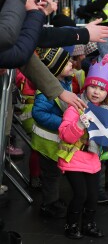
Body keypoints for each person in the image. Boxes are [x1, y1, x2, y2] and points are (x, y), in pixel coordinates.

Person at [57, 55, 108, 239]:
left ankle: (88, 225)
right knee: (80, 195)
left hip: (93, 161)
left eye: (102, 89)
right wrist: (79, 124)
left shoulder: (107, 111)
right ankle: (71, 226)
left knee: (93, 197)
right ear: (86, 86)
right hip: (73, 158)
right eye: (93, 86)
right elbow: (64, 135)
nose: (96, 92)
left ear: (107, 93)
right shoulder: (75, 107)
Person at [31, 48, 74, 219]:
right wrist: (64, 123)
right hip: (46, 142)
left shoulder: (64, 83)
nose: (71, 64)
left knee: (54, 173)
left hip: (54, 141)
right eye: (67, 62)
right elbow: (39, 113)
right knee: (50, 175)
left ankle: (53, 200)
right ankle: (49, 204)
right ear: (56, 69)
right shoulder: (46, 91)